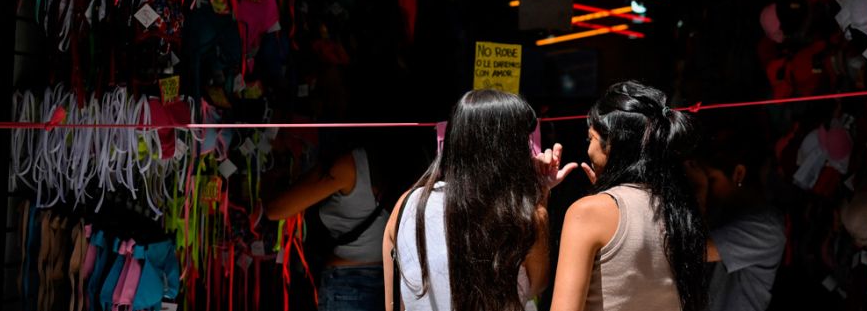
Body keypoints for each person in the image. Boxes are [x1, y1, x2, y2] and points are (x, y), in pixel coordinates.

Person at [382, 89, 577, 311]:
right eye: (524, 140)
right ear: (507, 150)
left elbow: (394, 302)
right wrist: (540, 196)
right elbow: (537, 286)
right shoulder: (525, 216)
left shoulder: (407, 205)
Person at [549, 80, 708, 311]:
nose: (589, 149)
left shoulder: (588, 212)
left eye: (590, 139)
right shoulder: (680, 209)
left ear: (611, 144)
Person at [266, 135, 391, 311]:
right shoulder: (416, 160)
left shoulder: (350, 165)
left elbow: (277, 209)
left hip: (350, 285)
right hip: (393, 282)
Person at [688, 119, 785, 311]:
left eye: (712, 179)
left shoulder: (767, 228)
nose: (709, 186)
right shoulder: (725, 208)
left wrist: (699, 188)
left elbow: (690, 250)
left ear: (739, 174)